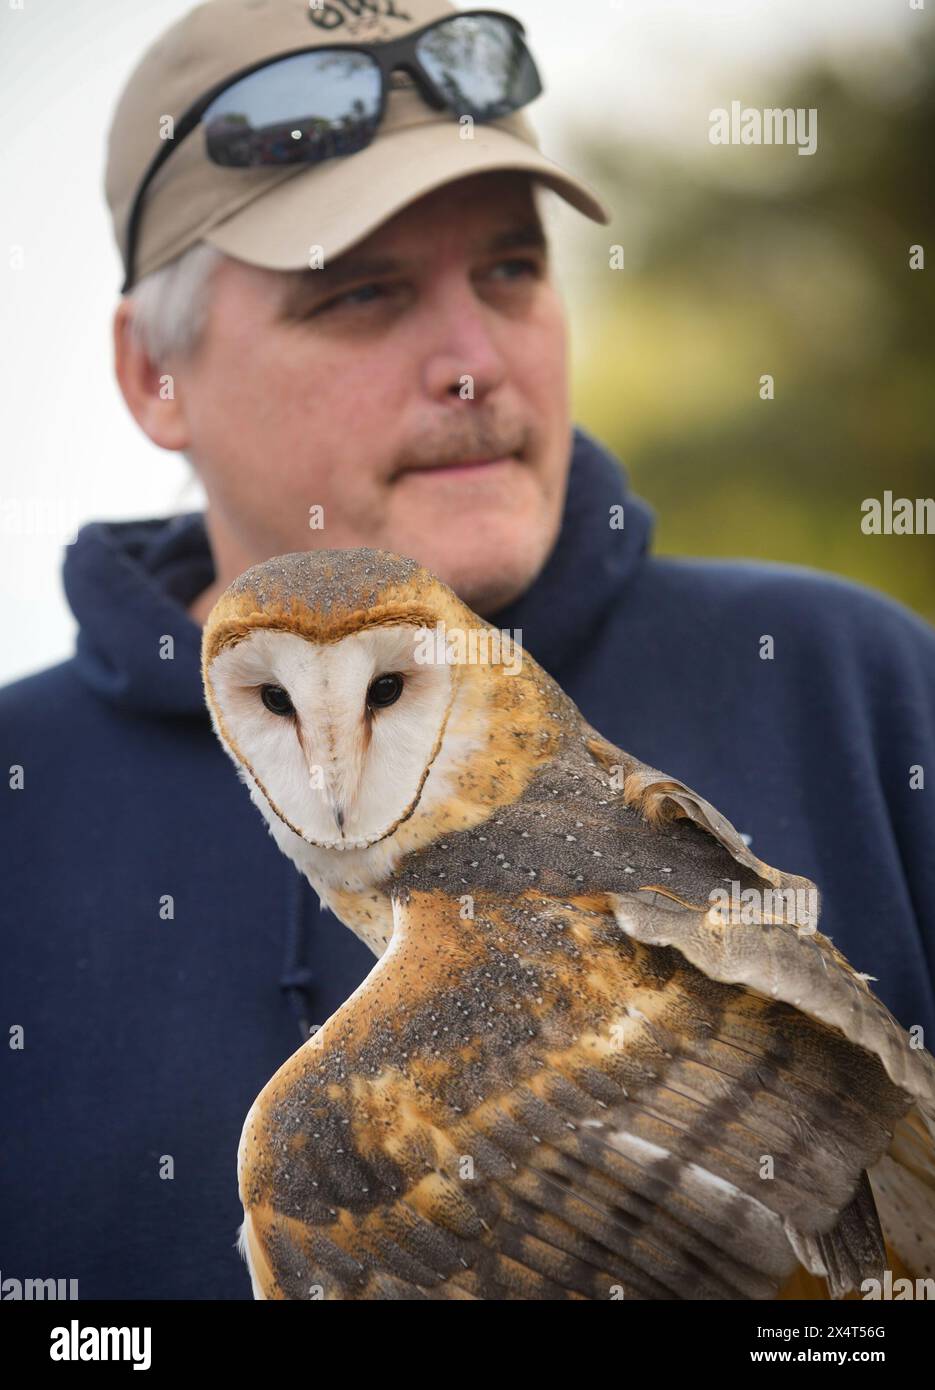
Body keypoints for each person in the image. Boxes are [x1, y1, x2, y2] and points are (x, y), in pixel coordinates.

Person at [2, 0, 934, 1301]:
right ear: (156, 376)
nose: (472, 361)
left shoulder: (855, 683)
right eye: (362, 291)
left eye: (511, 270)